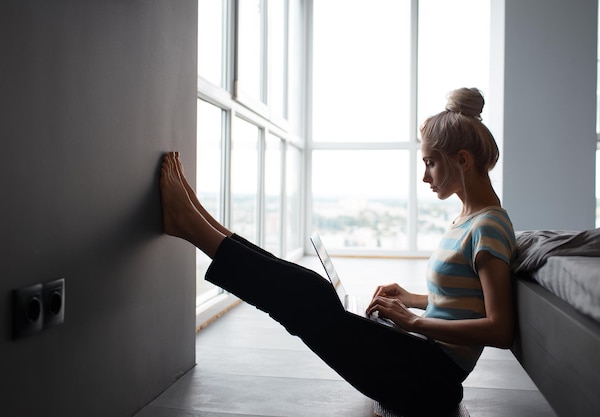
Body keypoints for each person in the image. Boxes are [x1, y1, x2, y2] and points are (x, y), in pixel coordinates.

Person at [160, 87, 516, 417]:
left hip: (429, 380)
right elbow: (463, 300)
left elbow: (500, 330)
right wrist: (412, 299)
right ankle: (199, 220)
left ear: (463, 160)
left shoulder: (488, 227)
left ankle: (192, 226)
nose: (425, 176)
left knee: (310, 295)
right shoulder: (468, 220)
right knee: (314, 291)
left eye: (430, 163)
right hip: (421, 359)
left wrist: (411, 321)